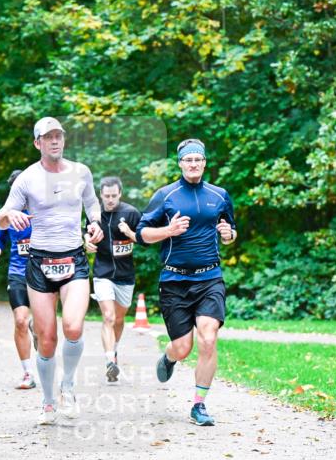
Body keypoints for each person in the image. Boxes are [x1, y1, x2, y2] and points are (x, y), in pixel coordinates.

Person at [0, 117, 103, 424]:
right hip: (40, 262)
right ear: (37, 143)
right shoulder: (26, 179)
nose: (55, 140)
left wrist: (94, 223)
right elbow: (1, 218)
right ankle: (47, 400)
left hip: (73, 259)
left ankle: (67, 384)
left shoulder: (81, 172)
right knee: (47, 339)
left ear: (64, 140)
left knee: (73, 327)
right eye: (48, 137)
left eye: (59, 135)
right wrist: (10, 216)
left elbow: (92, 204)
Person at [135, 138, 237, 426]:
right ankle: (169, 357)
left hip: (209, 278)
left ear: (205, 163)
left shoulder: (220, 196)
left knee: (208, 338)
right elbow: (142, 234)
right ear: (180, 163)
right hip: (174, 281)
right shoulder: (166, 195)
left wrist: (229, 234)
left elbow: (230, 232)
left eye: (198, 160)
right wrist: (168, 230)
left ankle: (199, 405)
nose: (193, 164)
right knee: (183, 348)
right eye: (188, 160)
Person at [84, 176, 141, 383]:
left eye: (113, 196)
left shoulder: (131, 213)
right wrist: (86, 242)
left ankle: (113, 352)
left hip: (126, 276)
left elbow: (145, 239)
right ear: (100, 195)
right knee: (108, 316)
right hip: (103, 272)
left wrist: (130, 233)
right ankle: (109, 362)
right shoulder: (94, 214)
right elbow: (84, 234)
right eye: (106, 196)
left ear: (120, 194)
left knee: (118, 319)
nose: (110, 200)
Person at [0, 169, 37, 390]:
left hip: (42, 272)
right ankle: (28, 372)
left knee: (40, 326)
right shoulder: (7, 214)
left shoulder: (42, 207)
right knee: (20, 320)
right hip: (17, 271)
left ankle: (38, 334)